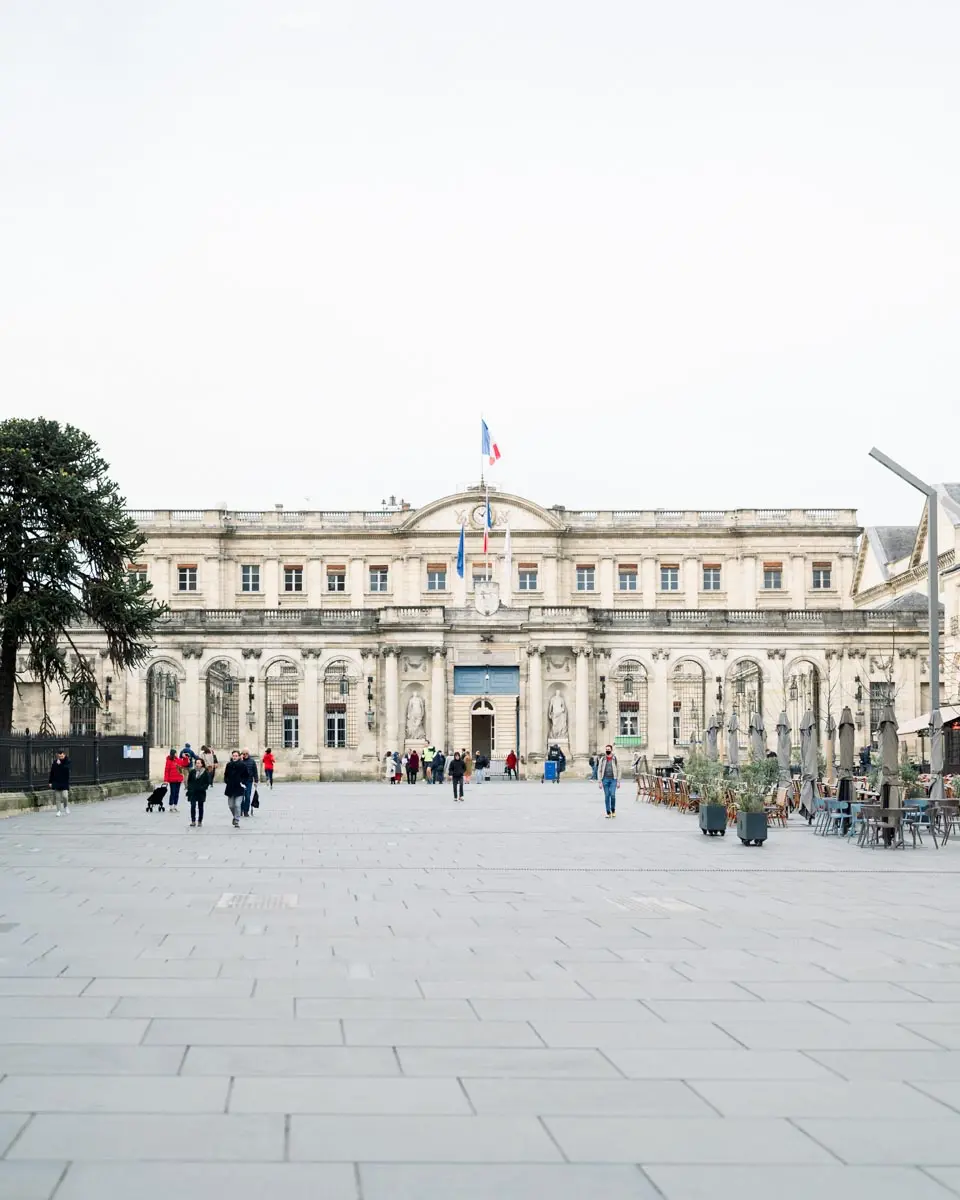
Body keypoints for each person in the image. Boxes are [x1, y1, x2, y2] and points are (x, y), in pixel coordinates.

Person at [186, 760, 212, 827]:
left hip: (201, 792)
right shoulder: (192, 771)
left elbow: (207, 782)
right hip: (193, 792)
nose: (197, 764)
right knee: (193, 806)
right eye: (196, 763)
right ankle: (193, 821)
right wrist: (190, 788)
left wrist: (203, 788)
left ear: (202, 764)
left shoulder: (205, 772)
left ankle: (200, 821)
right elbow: (189, 781)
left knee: (200, 806)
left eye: (198, 763)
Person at [163, 748, 190, 812]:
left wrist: (185, 757)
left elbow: (185, 763)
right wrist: (166, 780)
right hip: (172, 780)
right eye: (176, 753)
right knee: (173, 792)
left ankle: (175, 806)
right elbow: (166, 771)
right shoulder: (169, 761)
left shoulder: (179, 760)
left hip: (178, 779)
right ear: (174, 754)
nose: (177, 754)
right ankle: (171, 806)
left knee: (177, 793)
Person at [223, 751, 244, 828]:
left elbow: (246, 775)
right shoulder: (229, 765)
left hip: (239, 788)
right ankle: (235, 816)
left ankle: (237, 820)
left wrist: (243, 782)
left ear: (238, 757)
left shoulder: (242, 765)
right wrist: (227, 781)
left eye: (236, 756)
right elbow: (226, 774)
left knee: (237, 805)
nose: (234, 757)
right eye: (233, 756)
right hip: (230, 788)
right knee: (231, 805)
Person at [599, 743, 620, 818]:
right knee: (607, 796)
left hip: (613, 779)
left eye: (609, 749)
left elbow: (618, 769)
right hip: (605, 779)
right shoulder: (603, 759)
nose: (607, 750)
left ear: (611, 750)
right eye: (606, 749)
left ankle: (613, 810)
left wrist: (618, 781)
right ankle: (608, 812)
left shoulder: (615, 758)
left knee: (613, 795)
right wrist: (600, 782)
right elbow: (599, 770)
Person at [48, 750, 70, 815]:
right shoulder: (55, 762)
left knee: (65, 796)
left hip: (64, 782)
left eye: (62, 756)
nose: (61, 757)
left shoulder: (67, 761)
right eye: (59, 756)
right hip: (56, 782)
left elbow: (66, 770)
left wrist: (60, 764)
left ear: (64, 755)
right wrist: (50, 782)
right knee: (58, 798)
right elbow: (52, 772)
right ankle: (58, 811)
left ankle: (65, 806)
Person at [239, 749, 259, 817]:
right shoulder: (240, 761)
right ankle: (241, 810)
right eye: (244, 754)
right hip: (241, 781)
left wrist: (256, 780)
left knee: (247, 796)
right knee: (241, 797)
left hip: (249, 781)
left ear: (248, 754)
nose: (245, 755)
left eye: (246, 754)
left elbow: (255, 771)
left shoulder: (252, 761)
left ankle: (246, 811)